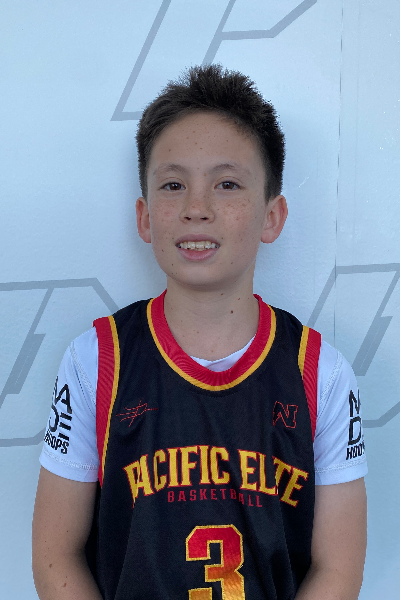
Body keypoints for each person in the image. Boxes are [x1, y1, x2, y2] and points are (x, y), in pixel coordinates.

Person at [32, 65, 367, 600]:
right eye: (173, 185)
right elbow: (55, 555)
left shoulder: (319, 372)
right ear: (145, 217)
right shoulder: (96, 359)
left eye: (227, 184)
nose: (196, 208)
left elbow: (339, 569)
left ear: (272, 216)